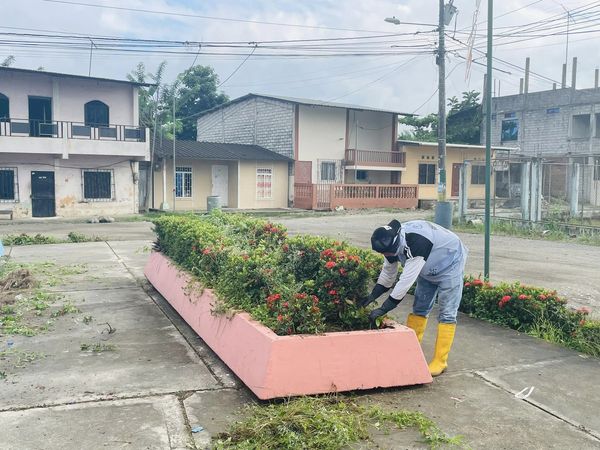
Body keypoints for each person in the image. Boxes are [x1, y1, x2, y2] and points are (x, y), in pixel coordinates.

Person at [358, 219, 468, 377]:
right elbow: (388, 274)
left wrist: (383, 309)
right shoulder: (390, 243)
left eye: (387, 253)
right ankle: (410, 350)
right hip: (426, 268)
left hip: (450, 263)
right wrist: (371, 297)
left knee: (447, 313)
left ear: (395, 244)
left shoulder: (417, 242)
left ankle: (440, 361)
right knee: (420, 308)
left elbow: (405, 282)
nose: (386, 256)